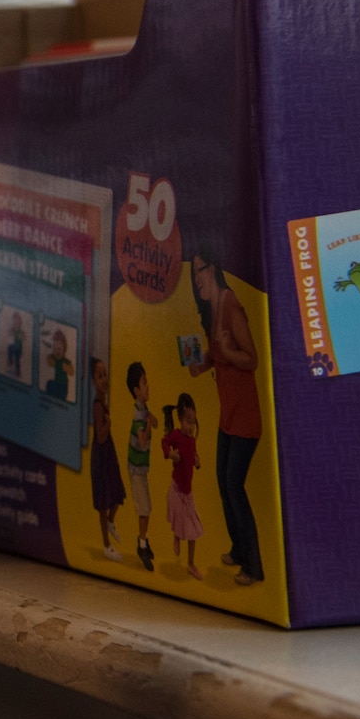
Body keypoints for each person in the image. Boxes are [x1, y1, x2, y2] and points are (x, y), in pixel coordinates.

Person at [190, 251, 265, 586]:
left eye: (199, 272)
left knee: (235, 486)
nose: (195, 280)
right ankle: (237, 548)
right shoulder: (212, 309)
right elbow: (217, 354)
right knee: (223, 482)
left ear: (214, 269)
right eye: (193, 274)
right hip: (227, 415)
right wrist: (202, 363)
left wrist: (228, 352)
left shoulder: (231, 304)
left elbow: (252, 359)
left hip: (246, 416)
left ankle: (254, 567)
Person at [160, 393, 205, 580]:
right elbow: (164, 442)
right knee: (179, 522)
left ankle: (191, 563)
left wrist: (197, 461)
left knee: (193, 530)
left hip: (188, 493)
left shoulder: (192, 440)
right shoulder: (177, 435)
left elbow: (194, 457)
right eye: (188, 422)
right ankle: (177, 537)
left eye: (193, 423)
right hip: (177, 490)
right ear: (179, 419)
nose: (190, 427)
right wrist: (170, 454)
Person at [88, 356, 123, 559]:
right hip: (101, 455)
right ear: (93, 381)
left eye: (105, 374)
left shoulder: (103, 402)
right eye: (100, 376)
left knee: (117, 492)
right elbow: (100, 437)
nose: (105, 379)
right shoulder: (98, 406)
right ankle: (106, 544)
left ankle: (111, 521)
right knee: (103, 502)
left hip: (108, 453)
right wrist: (109, 423)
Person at [126, 359, 155, 569]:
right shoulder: (138, 415)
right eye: (144, 383)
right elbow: (143, 440)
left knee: (147, 507)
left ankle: (143, 541)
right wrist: (147, 422)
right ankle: (141, 544)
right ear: (137, 390)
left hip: (140, 467)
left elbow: (155, 422)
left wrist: (152, 418)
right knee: (144, 508)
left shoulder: (143, 408)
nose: (148, 386)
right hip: (136, 468)